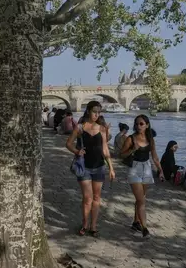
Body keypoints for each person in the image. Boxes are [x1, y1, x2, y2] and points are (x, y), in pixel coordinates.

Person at [66, 101, 115, 237]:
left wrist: (111, 167)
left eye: (99, 112)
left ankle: (93, 225)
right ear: (88, 111)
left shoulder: (102, 128)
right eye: (95, 111)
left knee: (97, 197)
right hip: (84, 167)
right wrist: (76, 151)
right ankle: (85, 223)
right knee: (87, 198)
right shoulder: (80, 127)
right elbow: (68, 143)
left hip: (99, 167)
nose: (97, 114)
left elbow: (105, 149)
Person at [120, 115, 165, 238]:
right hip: (134, 169)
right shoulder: (131, 139)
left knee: (141, 198)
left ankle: (136, 222)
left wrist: (160, 170)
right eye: (137, 124)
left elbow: (155, 157)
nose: (139, 126)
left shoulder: (150, 139)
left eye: (141, 124)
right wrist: (132, 150)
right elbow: (122, 155)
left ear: (147, 125)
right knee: (141, 200)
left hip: (146, 168)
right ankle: (145, 228)